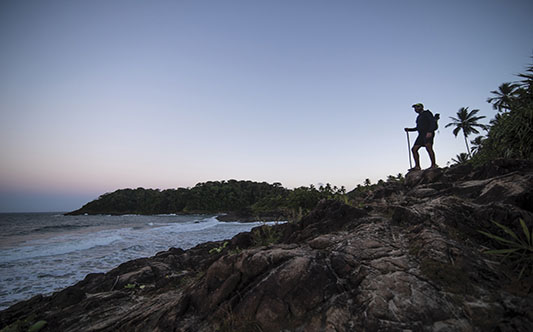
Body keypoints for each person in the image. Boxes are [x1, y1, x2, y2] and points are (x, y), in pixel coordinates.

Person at [404, 103, 438, 170]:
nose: (416, 109)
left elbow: (432, 122)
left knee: (428, 147)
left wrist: (430, 131)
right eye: (415, 108)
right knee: (414, 149)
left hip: (427, 132)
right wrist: (409, 129)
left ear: (422, 107)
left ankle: (433, 164)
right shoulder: (419, 117)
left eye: (417, 107)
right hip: (421, 135)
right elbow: (418, 128)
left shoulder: (427, 113)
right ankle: (417, 166)